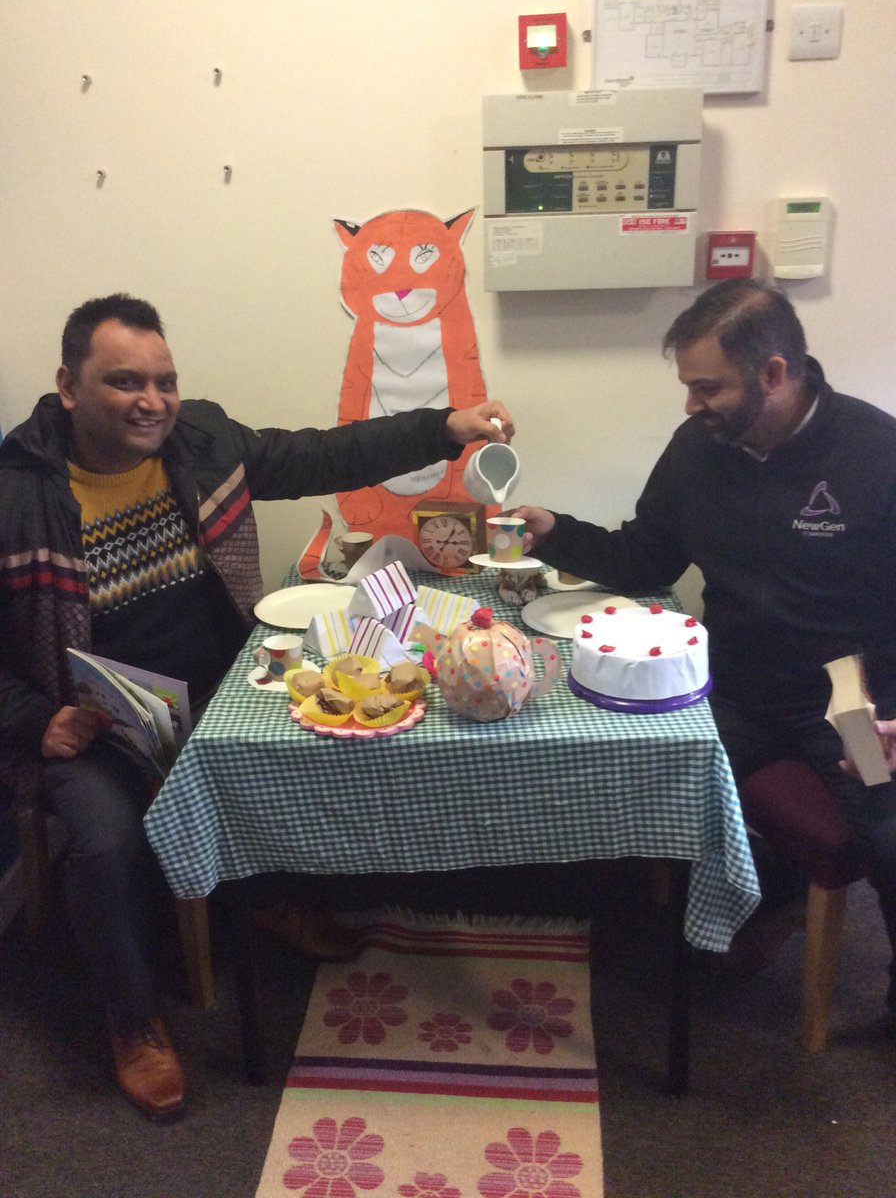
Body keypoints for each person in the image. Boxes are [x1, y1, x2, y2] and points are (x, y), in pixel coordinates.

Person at [0, 293, 516, 1120]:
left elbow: (317, 456)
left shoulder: (201, 438)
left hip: (220, 685)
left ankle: (263, 900)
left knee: (321, 742)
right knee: (105, 842)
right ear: (68, 386)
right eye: (124, 381)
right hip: (92, 718)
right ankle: (133, 1020)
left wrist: (443, 426)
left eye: (164, 381)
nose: (152, 401)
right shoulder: (17, 492)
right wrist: (34, 720)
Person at [512, 277, 896, 1024]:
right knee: (616, 757)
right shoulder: (701, 446)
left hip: (851, 699)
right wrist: (553, 528)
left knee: (891, 832)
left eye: (706, 387)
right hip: (726, 684)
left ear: (774, 374)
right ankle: (716, 905)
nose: (691, 406)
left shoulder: (876, 453)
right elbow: (646, 556)